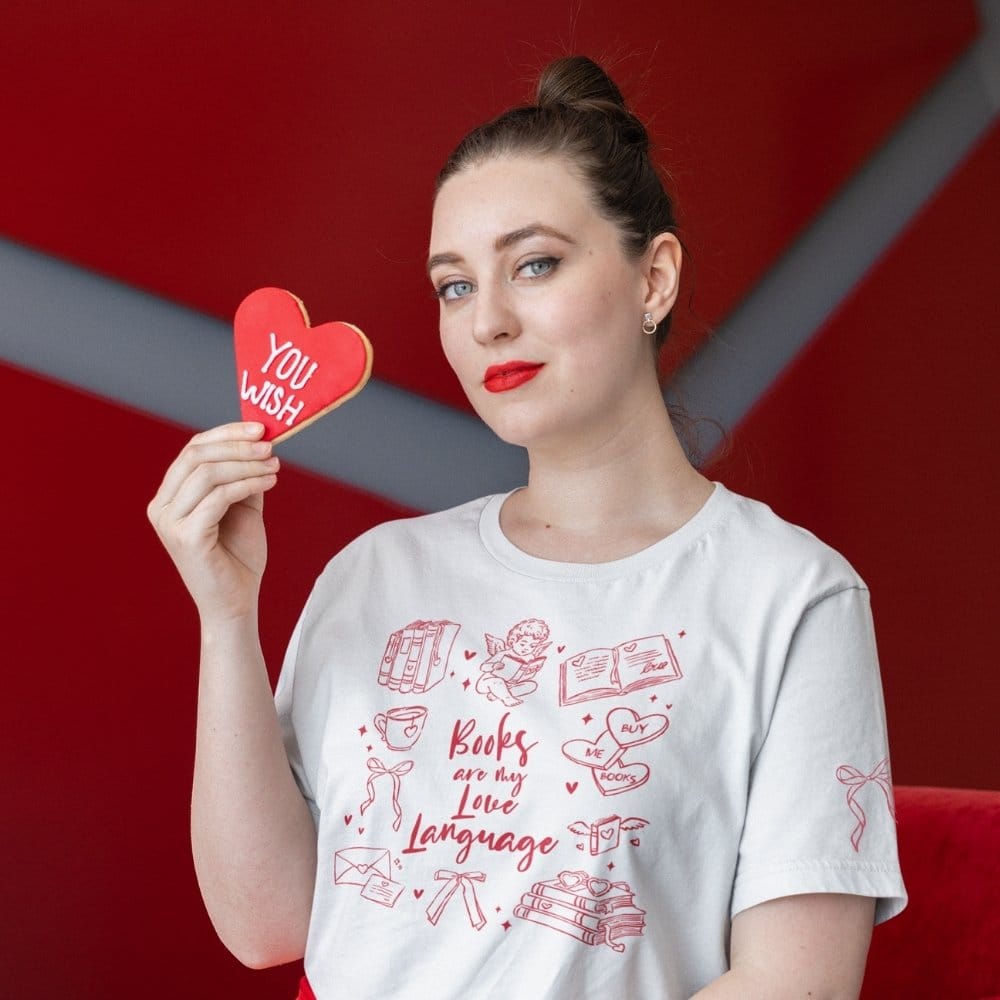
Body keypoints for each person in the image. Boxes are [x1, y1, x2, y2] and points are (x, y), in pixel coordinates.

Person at [148, 55, 905, 999]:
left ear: (653, 279)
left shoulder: (793, 597)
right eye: (455, 285)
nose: (489, 322)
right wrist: (226, 620)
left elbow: (801, 985)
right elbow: (267, 926)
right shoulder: (373, 575)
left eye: (535, 264)